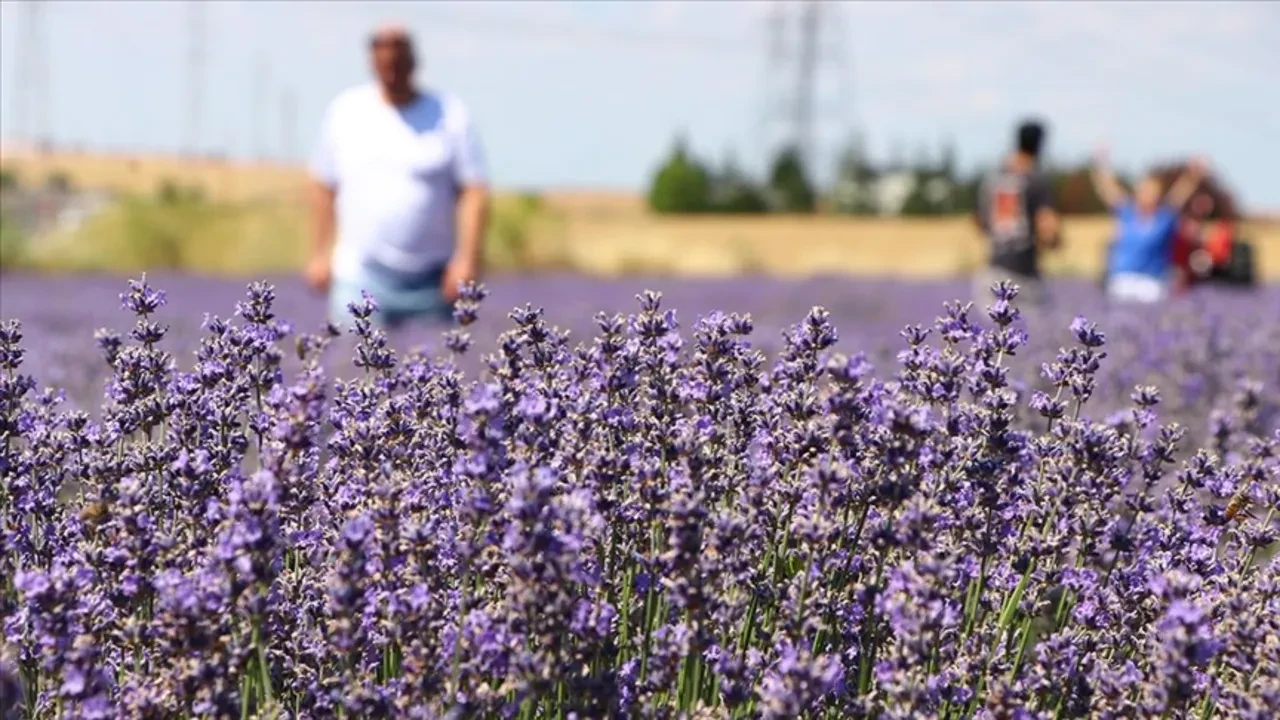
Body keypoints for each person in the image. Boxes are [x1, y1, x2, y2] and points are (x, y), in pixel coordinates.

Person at [306, 24, 491, 329]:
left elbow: (474, 191)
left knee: (435, 369)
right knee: (351, 369)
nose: (391, 71)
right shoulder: (346, 111)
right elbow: (323, 186)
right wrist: (319, 254)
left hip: (433, 278)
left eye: (398, 62)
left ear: (414, 62)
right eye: (383, 62)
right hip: (359, 274)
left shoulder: (449, 113)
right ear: (372, 64)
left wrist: (468, 259)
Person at [1092, 147, 1207, 304]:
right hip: (1121, 280)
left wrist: (1193, 174)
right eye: (1144, 190)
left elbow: (1179, 195)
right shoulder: (1127, 214)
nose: (1147, 195)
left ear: (1158, 195)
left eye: (1152, 191)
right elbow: (1110, 190)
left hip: (1151, 283)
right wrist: (1101, 163)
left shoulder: (1165, 218)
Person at [973, 118, 1062, 307]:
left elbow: (979, 222)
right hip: (1024, 276)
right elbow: (1047, 228)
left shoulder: (992, 178)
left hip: (992, 272)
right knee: (1034, 332)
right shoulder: (1037, 179)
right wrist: (1056, 241)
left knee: (993, 333)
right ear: (1040, 144)